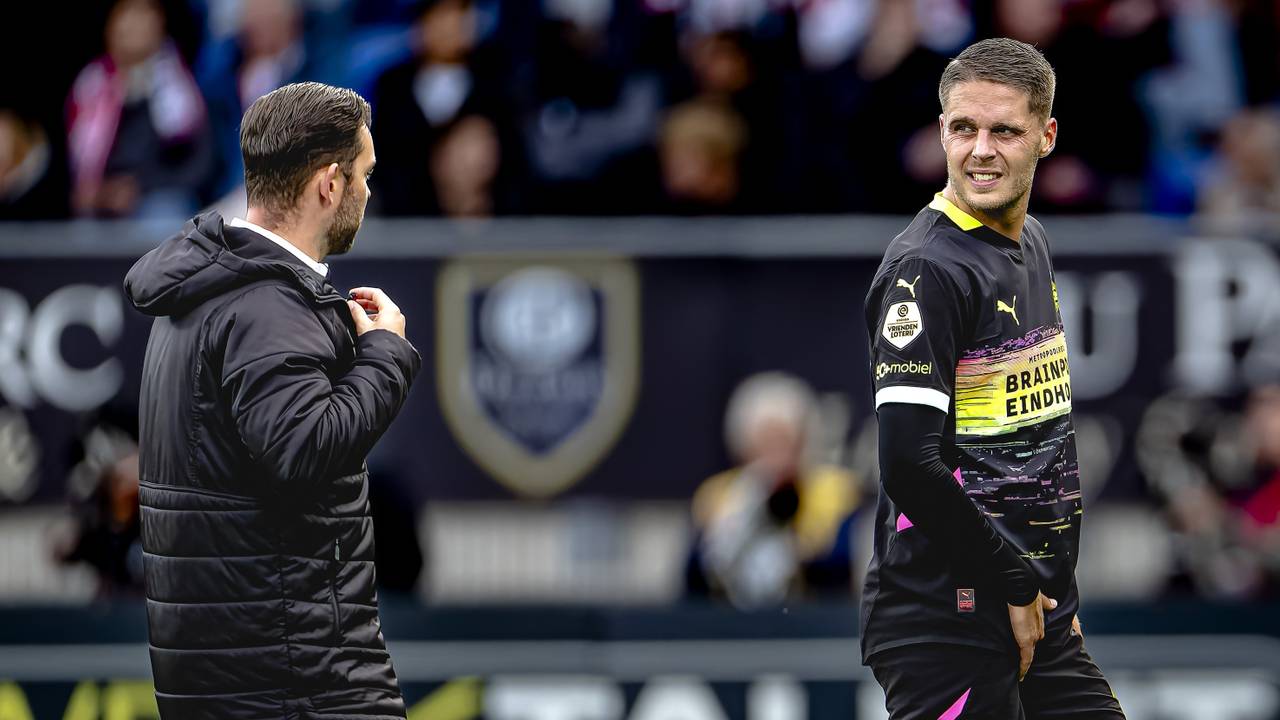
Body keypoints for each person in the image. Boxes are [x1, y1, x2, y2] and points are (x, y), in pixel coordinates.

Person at [123, 82, 420, 719]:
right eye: (363, 173)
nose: (368, 190)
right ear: (328, 183)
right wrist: (385, 356)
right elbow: (304, 452)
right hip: (303, 685)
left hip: (241, 681)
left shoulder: (200, 295)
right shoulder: (266, 306)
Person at [861, 38, 1125, 718]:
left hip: (1031, 606)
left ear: (1046, 136)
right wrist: (1014, 583)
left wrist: (1050, 595)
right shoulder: (927, 269)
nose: (980, 150)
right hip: (946, 620)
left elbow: (1039, 441)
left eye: (1004, 130)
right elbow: (908, 464)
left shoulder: (1029, 240)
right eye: (962, 128)